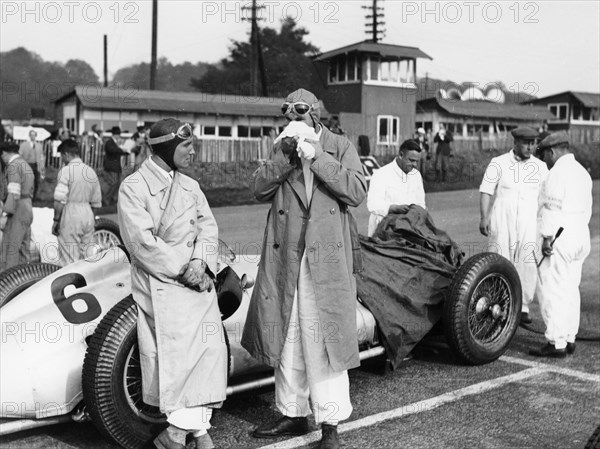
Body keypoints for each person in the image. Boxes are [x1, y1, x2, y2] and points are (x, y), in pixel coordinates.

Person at [241, 88, 367, 449]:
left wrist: (319, 156)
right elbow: (258, 188)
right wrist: (285, 157)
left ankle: (329, 423)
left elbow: (357, 191)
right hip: (288, 255)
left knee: (324, 336)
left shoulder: (339, 145)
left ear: (316, 114)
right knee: (289, 332)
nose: (292, 121)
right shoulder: (282, 146)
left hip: (325, 257)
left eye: (300, 114)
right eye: (288, 115)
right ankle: (292, 413)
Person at [118, 118, 226, 449]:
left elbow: (208, 228)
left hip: (195, 278)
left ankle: (180, 434)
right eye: (186, 145)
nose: (193, 151)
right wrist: (183, 269)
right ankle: (190, 433)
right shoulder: (134, 187)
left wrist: (201, 263)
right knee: (179, 355)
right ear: (167, 148)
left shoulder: (191, 186)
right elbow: (142, 243)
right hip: (161, 281)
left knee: (208, 352)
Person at [530, 131, 592, 358]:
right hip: (580, 234)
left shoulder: (556, 173)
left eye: (544, 154)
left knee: (552, 289)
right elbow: (588, 209)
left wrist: (547, 238)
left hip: (559, 236)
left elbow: (551, 208)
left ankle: (556, 342)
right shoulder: (582, 172)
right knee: (570, 288)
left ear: (552, 151)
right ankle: (569, 337)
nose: (544, 160)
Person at [479, 126, 548, 324]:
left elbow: (545, 197)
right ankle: (498, 303)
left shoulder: (541, 167)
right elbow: (486, 190)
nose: (530, 147)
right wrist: (484, 217)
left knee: (527, 260)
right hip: (502, 215)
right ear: (515, 143)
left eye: (533, 143)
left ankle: (523, 307)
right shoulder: (498, 163)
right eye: (526, 143)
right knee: (500, 257)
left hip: (529, 217)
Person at [52, 139, 102, 267]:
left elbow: (59, 200)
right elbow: (96, 202)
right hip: (88, 213)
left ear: (67, 154)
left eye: (62, 156)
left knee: (68, 258)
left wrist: (56, 220)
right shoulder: (90, 171)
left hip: (71, 213)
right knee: (87, 257)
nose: (62, 159)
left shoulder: (66, 171)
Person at [367, 139, 426, 237]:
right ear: (401, 155)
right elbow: (373, 204)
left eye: (416, 161)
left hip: (410, 230)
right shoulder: (381, 174)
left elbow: (421, 203)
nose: (415, 165)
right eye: (411, 160)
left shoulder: (416, 175)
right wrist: (392, 208)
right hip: (383, 232)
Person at [0, 142, 34, 271]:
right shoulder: (25, 164)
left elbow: (14, 193)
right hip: (27, 205)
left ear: (4, 153)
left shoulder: (13, 166)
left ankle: (8, 285)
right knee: (23, 249)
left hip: (18, 208)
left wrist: (5, 214)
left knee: (10, 249)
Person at [102, 126, 128, 206]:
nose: (119, 135)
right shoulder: (110, 142)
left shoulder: (114, 142)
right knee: (114, 183)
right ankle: (106, 198)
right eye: (118, 134)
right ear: (115, 134)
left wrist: (125, 151)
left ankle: (111, 199)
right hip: (111, 167)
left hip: (115, 167)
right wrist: (122, 150)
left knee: (116, 183)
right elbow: (112, 150)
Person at [18, 129, 45, 200]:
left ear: (36, 136)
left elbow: (41, 157)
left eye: (34, 135)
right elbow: (20, 155)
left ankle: (34, 197)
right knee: (27, 180)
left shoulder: (39, 145)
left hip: (36, 165)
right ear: (29, 136)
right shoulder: (24, 145)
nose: (33, 136)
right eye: (31, 135)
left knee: (36, 181)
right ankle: (26, 196)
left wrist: (42, 167)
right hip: (28, 164)